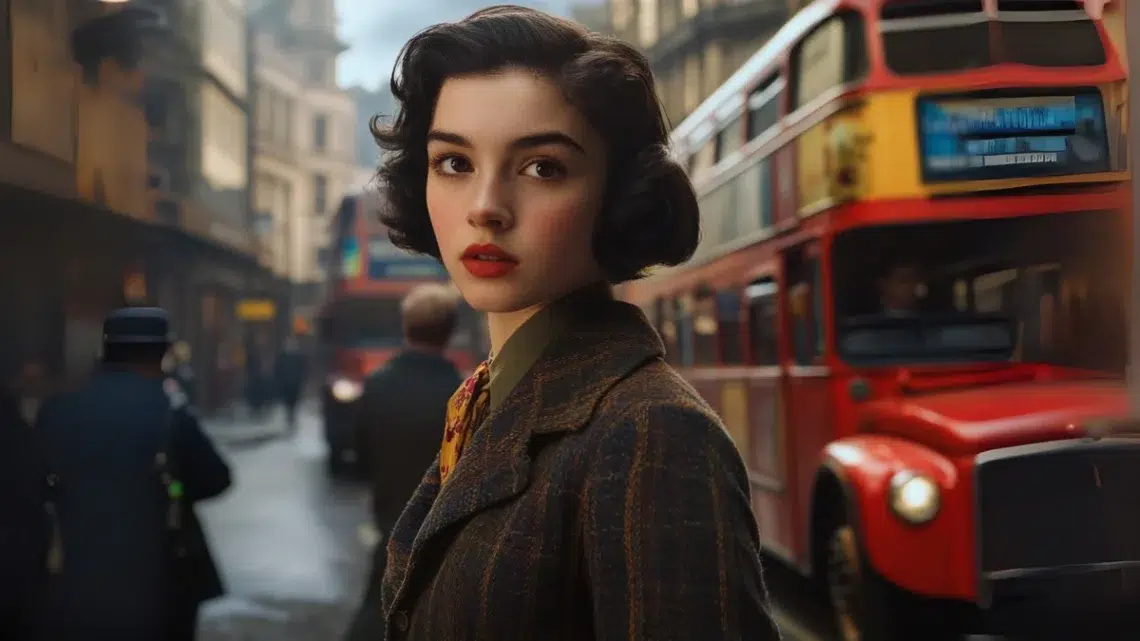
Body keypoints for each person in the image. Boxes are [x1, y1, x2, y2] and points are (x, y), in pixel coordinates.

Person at [370, 6, 781, 640]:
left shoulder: (651, 430)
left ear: (618, 195)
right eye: (454, 163)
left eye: (542, 168)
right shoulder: (486, 401)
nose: (486, 208)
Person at [34, 307, 232, 641]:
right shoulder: (170, 412)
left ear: (106, 351)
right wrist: (174, 489)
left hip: (80, 568)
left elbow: (37, 481)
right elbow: (216, 478)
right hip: (159, 577)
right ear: (162, 352)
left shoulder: (58, 410)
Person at [345, 283, 463, 641]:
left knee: (380, 606)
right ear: (449, 332)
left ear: (405, 327)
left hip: (390, 514)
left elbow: (358, 456)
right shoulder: (463, 392)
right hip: (444, 528)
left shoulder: (378, 384)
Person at [275, 334, 309, 431]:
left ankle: (292, 416)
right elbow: (278, 369)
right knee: (287, 401)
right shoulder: (282, 356)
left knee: (294, 400)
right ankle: (289, 416)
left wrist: (303, 378)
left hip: (295, 382)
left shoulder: (298, 356)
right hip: (286, 382)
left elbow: (303, 368)